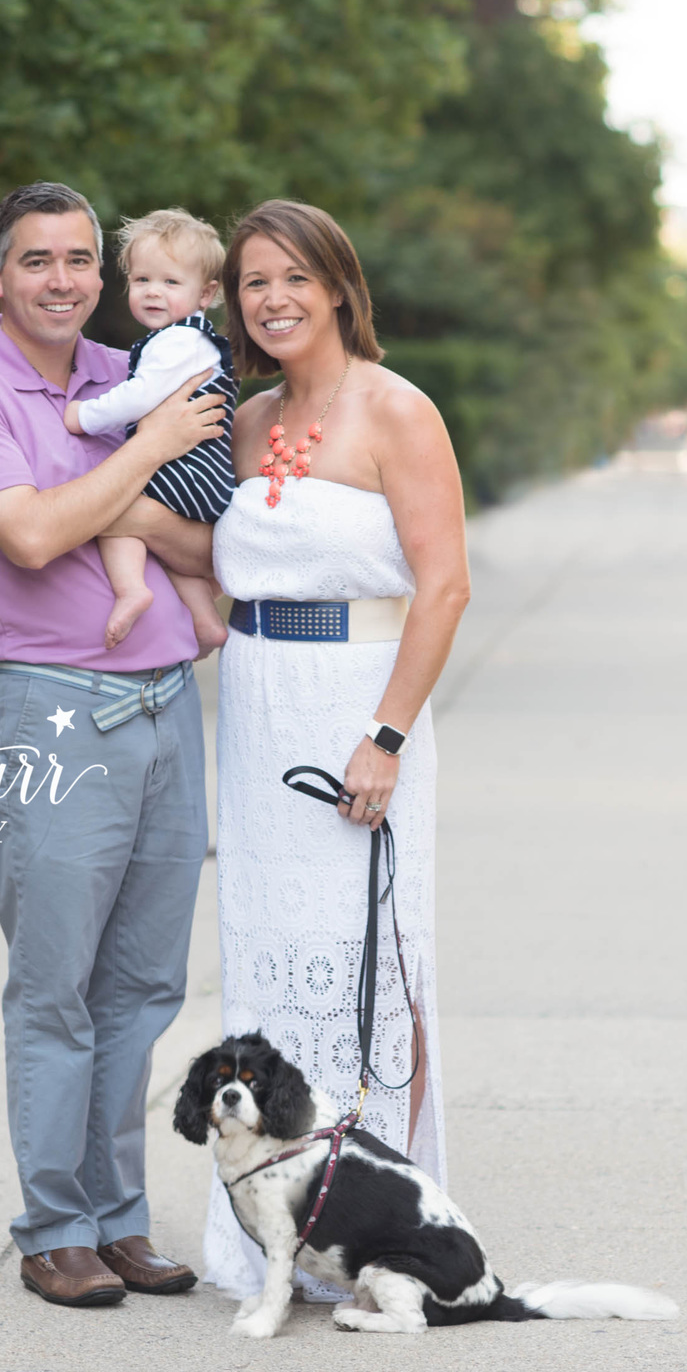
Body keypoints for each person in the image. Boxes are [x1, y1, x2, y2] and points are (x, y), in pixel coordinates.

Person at [0, 180, 228, 1310]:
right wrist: (139, 470)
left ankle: (118, 1216)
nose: (64, 279)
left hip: (164, 708)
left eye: (81, 259)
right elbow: (33, 536)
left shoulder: (131, 370)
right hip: (51, 710)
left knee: (141, 987)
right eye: (37, 259)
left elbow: (212, 539)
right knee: (55, 988)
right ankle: (55, 1226)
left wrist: (110, 490)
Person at [200, 198, 471, 1304]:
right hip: (256, 712)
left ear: (339, 287)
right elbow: (210, 557)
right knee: (269, 969)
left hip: (357, 710)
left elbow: (443, 584)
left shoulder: (396, 410)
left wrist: (386, 736)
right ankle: (273, 1234)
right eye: (252, 282)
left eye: (291, 279)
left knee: (374, 961)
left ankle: (389, 1215)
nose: (271, 299)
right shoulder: (244, 419)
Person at [64, 208, 239, 651]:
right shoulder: (189, 340)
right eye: (142, 281)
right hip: (203, 474)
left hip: (185, 469)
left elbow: (138, 398)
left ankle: (130, 590)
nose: (152, 292)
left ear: (207, 293)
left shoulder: (178, 342)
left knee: (109, 512)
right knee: (162, 541)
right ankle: (206, 621)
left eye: (170, 282)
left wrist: (82, 416)